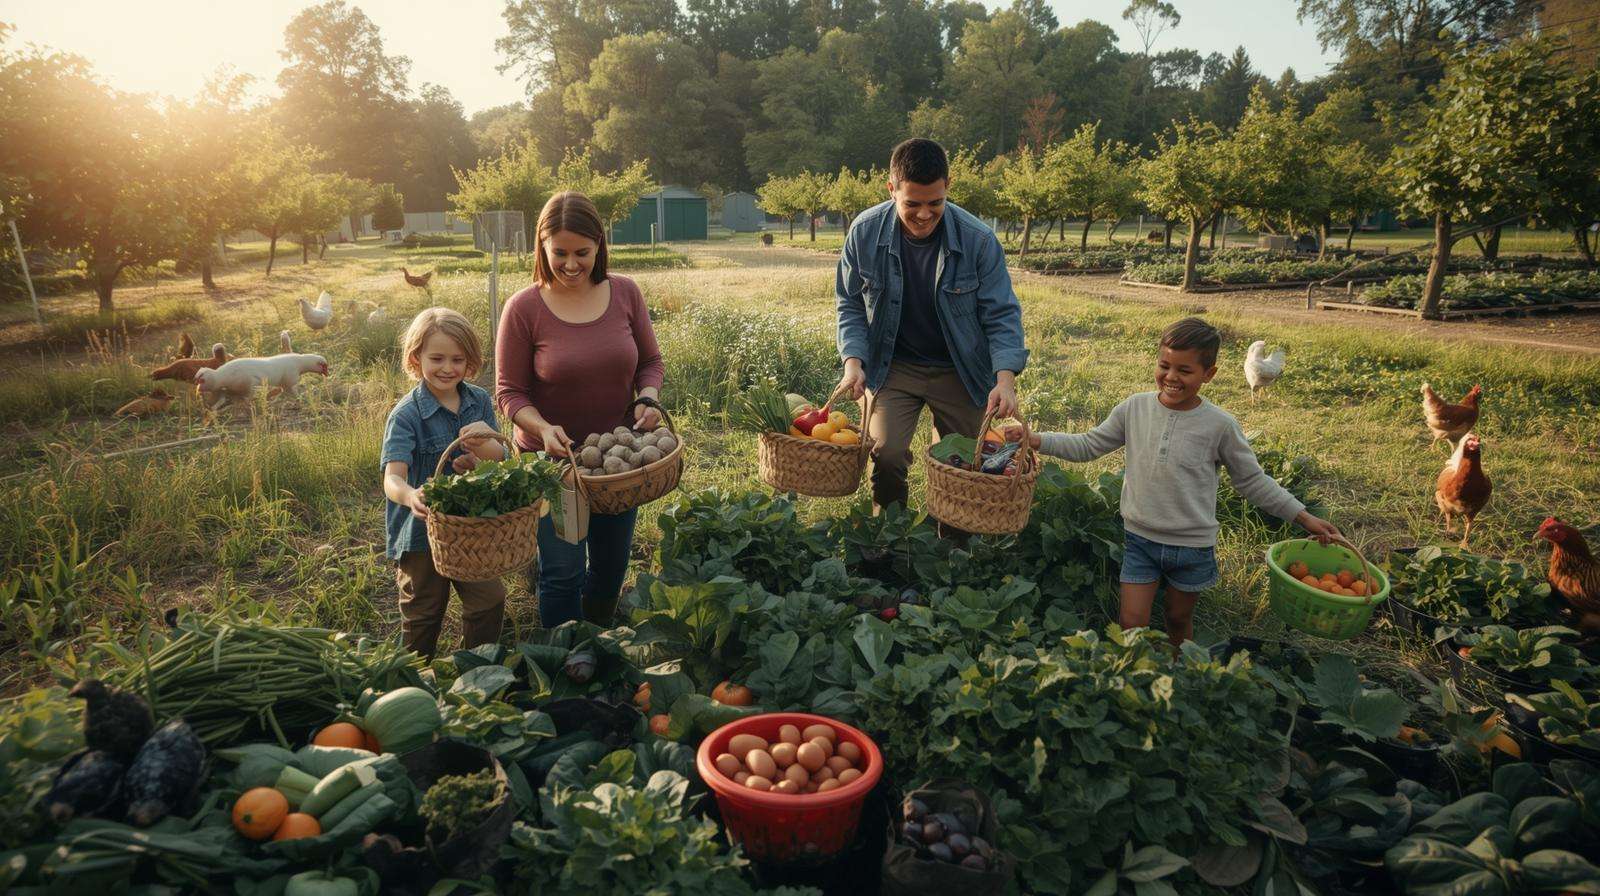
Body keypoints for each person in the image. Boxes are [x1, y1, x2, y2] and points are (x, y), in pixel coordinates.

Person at [1005, 317, 1341, 648]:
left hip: (1192, 546)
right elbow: (1090, 444)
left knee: (1178, 620)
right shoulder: (1133, 409)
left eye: (1184, 370)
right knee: (1131, 622)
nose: (1171, 377)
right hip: (1140, 539)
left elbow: (1252, 481)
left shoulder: (1220, 426)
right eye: (1165, 365)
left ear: (1209, 375)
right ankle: (1135, 677)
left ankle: (1183, 674)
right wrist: (1038, 439)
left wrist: (1302, 516)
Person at [496, 191, 665, 629]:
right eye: (560, 253)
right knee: (562, 573)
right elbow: (509, 392)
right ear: (542, 247)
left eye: (582, 253)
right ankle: (563, 660)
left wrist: (647, 396)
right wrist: (543, 427)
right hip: (551, 463)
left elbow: (650, 362)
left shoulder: (626, 293)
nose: (571, 264)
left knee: (609, 571)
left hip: (616, 460)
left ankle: (596, 642)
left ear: (600, 246)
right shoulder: (523, 308)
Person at [834, 137, 1029, 512]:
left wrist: (1005, 381)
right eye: (913, 204)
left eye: (935, 203)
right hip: (895, 366)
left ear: (948, 188)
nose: (924, 214)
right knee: (886, 453)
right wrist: (853, 363)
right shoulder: (865, 232)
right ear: (891, 190)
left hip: (960, 369)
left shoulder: (978, 240)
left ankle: (951, 545)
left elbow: (1001, 313)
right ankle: (889, 538)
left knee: (962, 464)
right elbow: (850, 303)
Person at [381, 307, 508, 658]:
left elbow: (500, 457)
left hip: (470, 529)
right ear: (415, 358)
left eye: (457, 359)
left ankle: (475, 670)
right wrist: (410, 496)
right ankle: (416, 676)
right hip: (421, 533)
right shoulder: (406, 415)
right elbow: (393, 477)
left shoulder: (478, 401)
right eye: (436, 358)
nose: (447, 368)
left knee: (489, 599)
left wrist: (481, 453)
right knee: (424, 610)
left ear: (470, 362)